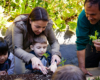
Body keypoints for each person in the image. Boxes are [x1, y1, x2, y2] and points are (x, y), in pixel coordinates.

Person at [4, 7, 61, 74]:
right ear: (30, 21)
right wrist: (32, 57)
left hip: (31, 47)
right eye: (37, 27)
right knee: (20, 72)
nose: (40, 30)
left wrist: (56, 54)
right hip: (15, 49)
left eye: (43, 27)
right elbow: (17, 48)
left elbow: (54, 42)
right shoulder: (20, 24)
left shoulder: (47, 24)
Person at [76, 0, 100, 76]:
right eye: (87, 13)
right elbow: (81, 42)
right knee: (89, 65)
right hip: (91, 45)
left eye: (93, 14)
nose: (89, 18)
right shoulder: (83, 17)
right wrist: (82, 68)